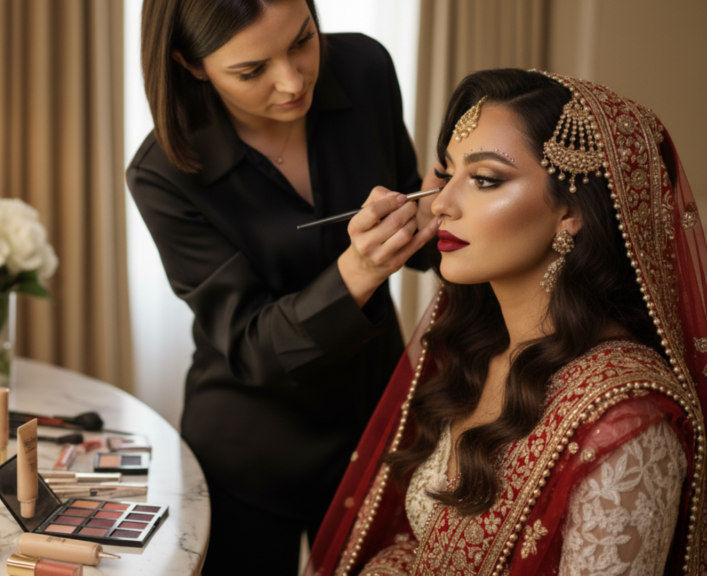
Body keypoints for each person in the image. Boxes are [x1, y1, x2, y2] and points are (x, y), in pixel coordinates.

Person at [304, 68, 707, 575]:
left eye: (485, 179)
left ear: (571, 212)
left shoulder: (624, 422)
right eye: (446, 173)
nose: (442, 205)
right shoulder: (475, 350)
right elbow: (422, 543)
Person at [127, 0, 441, 572]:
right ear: (192, 64)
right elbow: (250, 342)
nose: (293, 82)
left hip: (377, 425)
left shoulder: (365, 70)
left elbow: (416, 223)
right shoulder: (163, 174)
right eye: (252, 71)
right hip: (249, 456)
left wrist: (446, 207)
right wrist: (360, 270)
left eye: (302, 40)